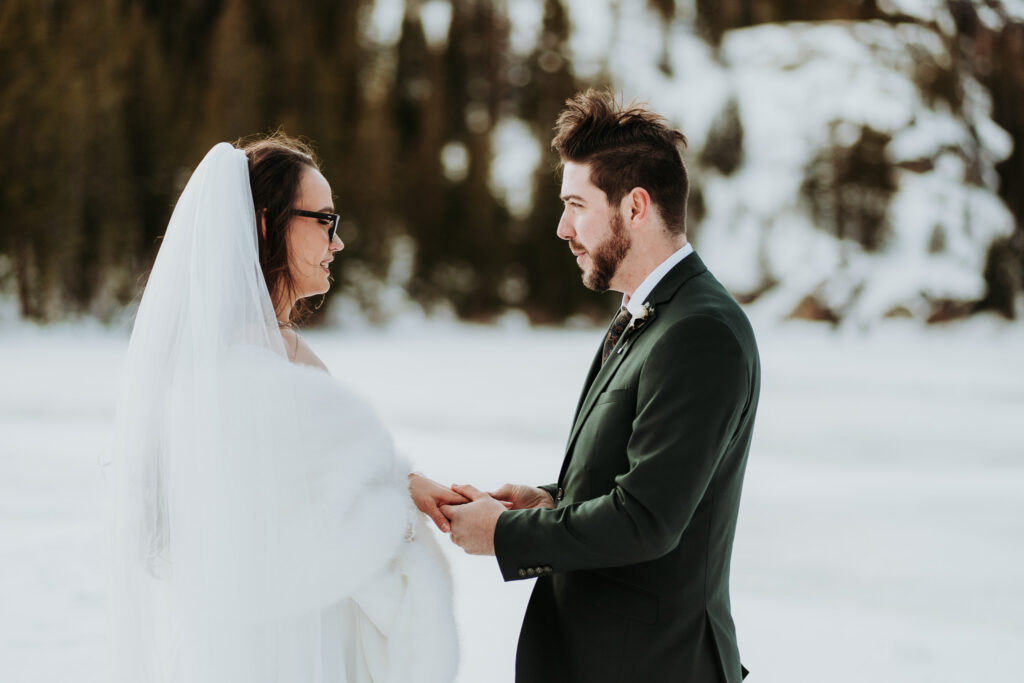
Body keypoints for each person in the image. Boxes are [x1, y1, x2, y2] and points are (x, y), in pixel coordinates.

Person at [109, 135, 459, 682]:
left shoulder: (213, 361)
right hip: (299, 652)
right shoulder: (266, 373)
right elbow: (343, 543)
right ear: (269, 226)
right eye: (324, 220)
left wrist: (399, 481)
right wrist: (402, 526)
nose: (337, 242)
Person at [436, 90, 760, 682]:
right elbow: (638, 479)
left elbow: (647, 519)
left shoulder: (700, 331)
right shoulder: (650, 315)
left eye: (576, 205)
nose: (562, 228)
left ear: (635, 206)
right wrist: (553, 501)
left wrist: (506, 534)